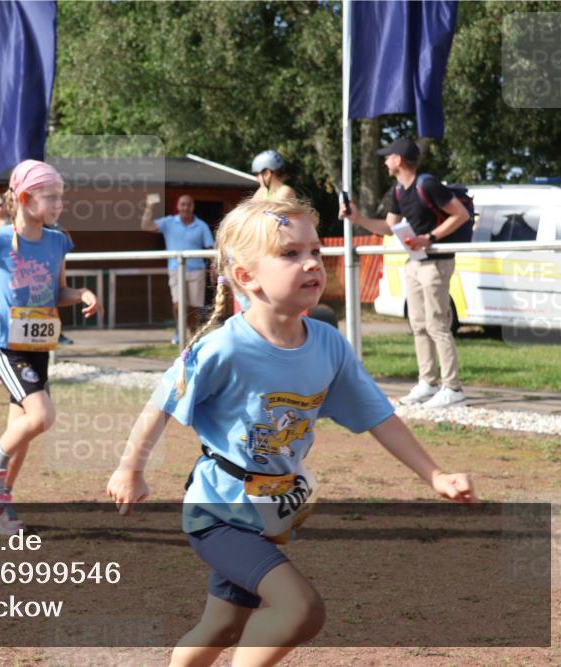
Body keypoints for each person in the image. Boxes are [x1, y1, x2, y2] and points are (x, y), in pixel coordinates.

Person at [107, 197, 477, 667]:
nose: (311, 264)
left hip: (268, 514)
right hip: (217, 513)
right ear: (246, 276)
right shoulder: (222, 347)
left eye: (316, 252)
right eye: (289, 254)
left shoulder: (328, 344)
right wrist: (129, 469)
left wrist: (435, 475)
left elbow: (379, 415)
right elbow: (159, 405)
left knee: (222, 626)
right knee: (300, 608)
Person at [0, 159, 101, 534]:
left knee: (23, 427)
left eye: (60, 197)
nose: (58, 204)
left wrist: (80, 293)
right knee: (42, 417)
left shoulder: (57, 241)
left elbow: (57, 291)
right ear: (23, 198)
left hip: (38, 345)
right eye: (50, 197)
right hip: (5, 345)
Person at [341, 137, 471, 408]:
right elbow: (389, 227)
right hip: (415, 261)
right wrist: (357, 218)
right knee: (418, 323)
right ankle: (427, 382)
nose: (385, 161)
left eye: (388, 157)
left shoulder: (428, 184)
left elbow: (459, 215)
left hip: (436, 261)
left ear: (398, 160)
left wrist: (430, 237)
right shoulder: (400, 190)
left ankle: (453, 387)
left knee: (437, 324)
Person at [140, 193, 214, 343]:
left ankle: (193, 335)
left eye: (188, 204)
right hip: (176, 270)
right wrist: (150, 206)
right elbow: (145, 226)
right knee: (178, 304)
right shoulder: (168, 222)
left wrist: (213, 268)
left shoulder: (201, 226)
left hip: (197, 271)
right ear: (178, 206)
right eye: (182, 204)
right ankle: (179, 332)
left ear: (193, 207)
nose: (185, 208)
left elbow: (210, 249)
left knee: (194, 308)